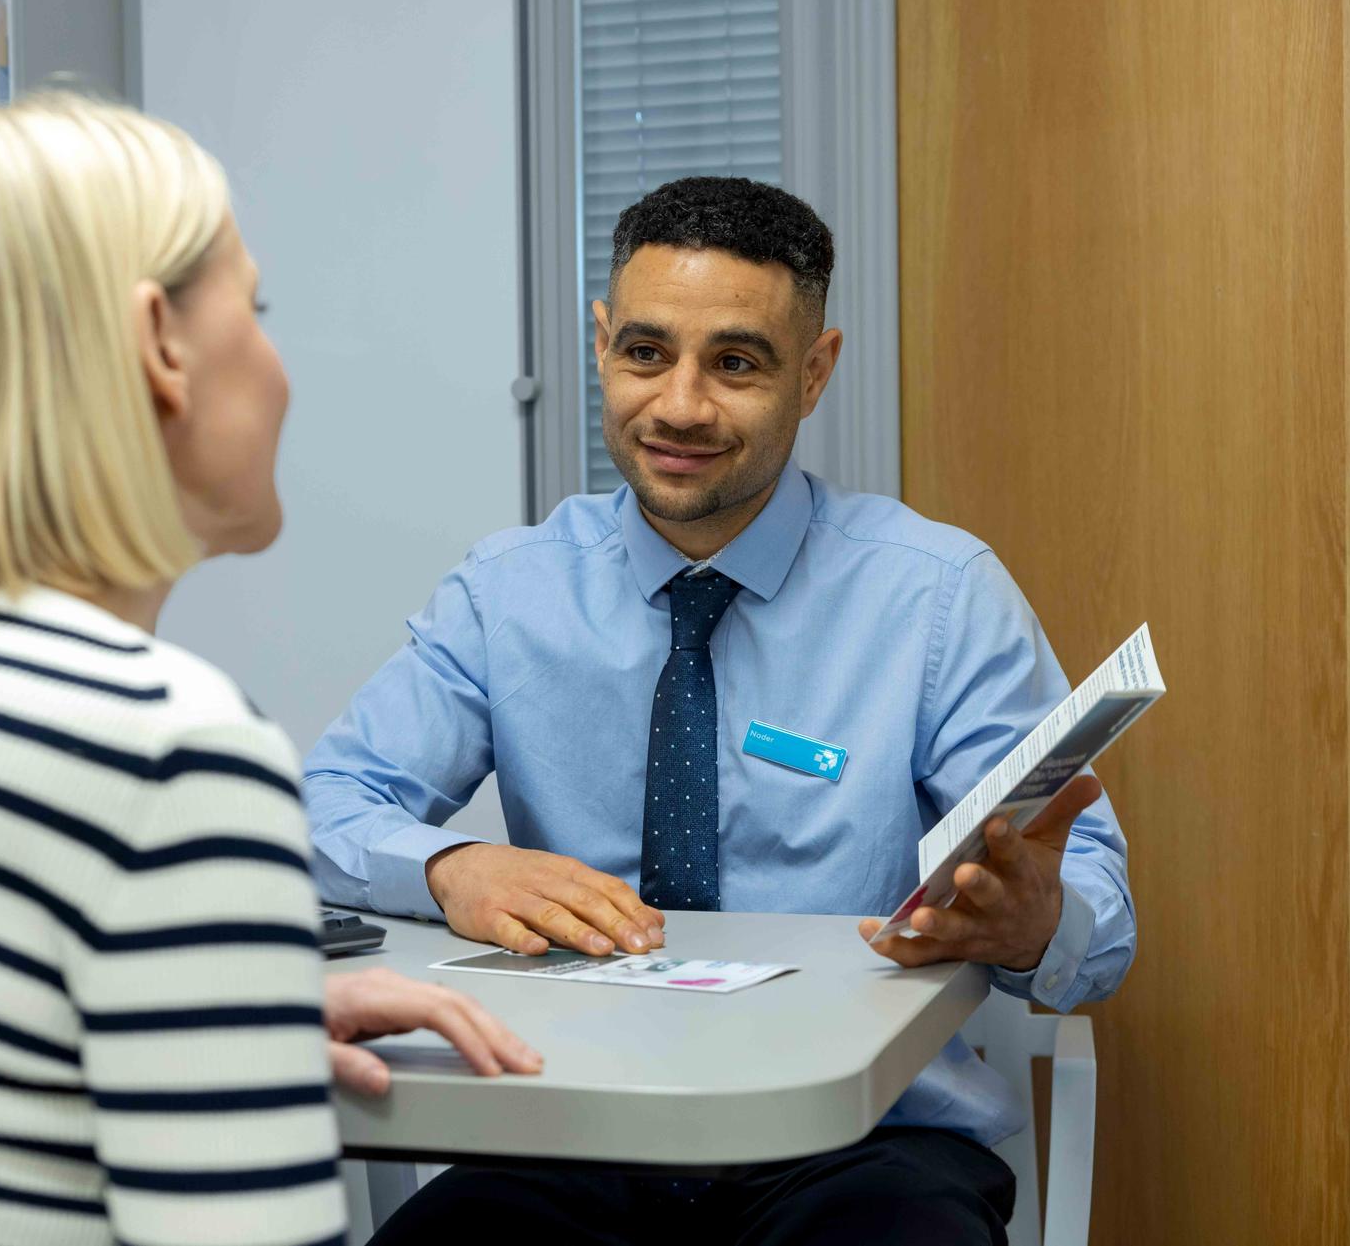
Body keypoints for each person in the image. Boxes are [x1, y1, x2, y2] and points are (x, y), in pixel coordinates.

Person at [0, 93, 538, 1246]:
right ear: (159, 347)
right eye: (254, 311)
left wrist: (214, 999)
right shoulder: (170, 748)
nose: (277, 368)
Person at [303, 176, 1135, 1245]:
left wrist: (1034, 924)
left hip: (862, 1148)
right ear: (602, 345)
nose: (682, 406)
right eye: (646, 353)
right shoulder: (506, 592)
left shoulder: (935, 598)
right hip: (568, 1134)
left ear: (816, 373)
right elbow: (324, 806)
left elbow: (1101, 913)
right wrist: (450, 868)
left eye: (736, 363)